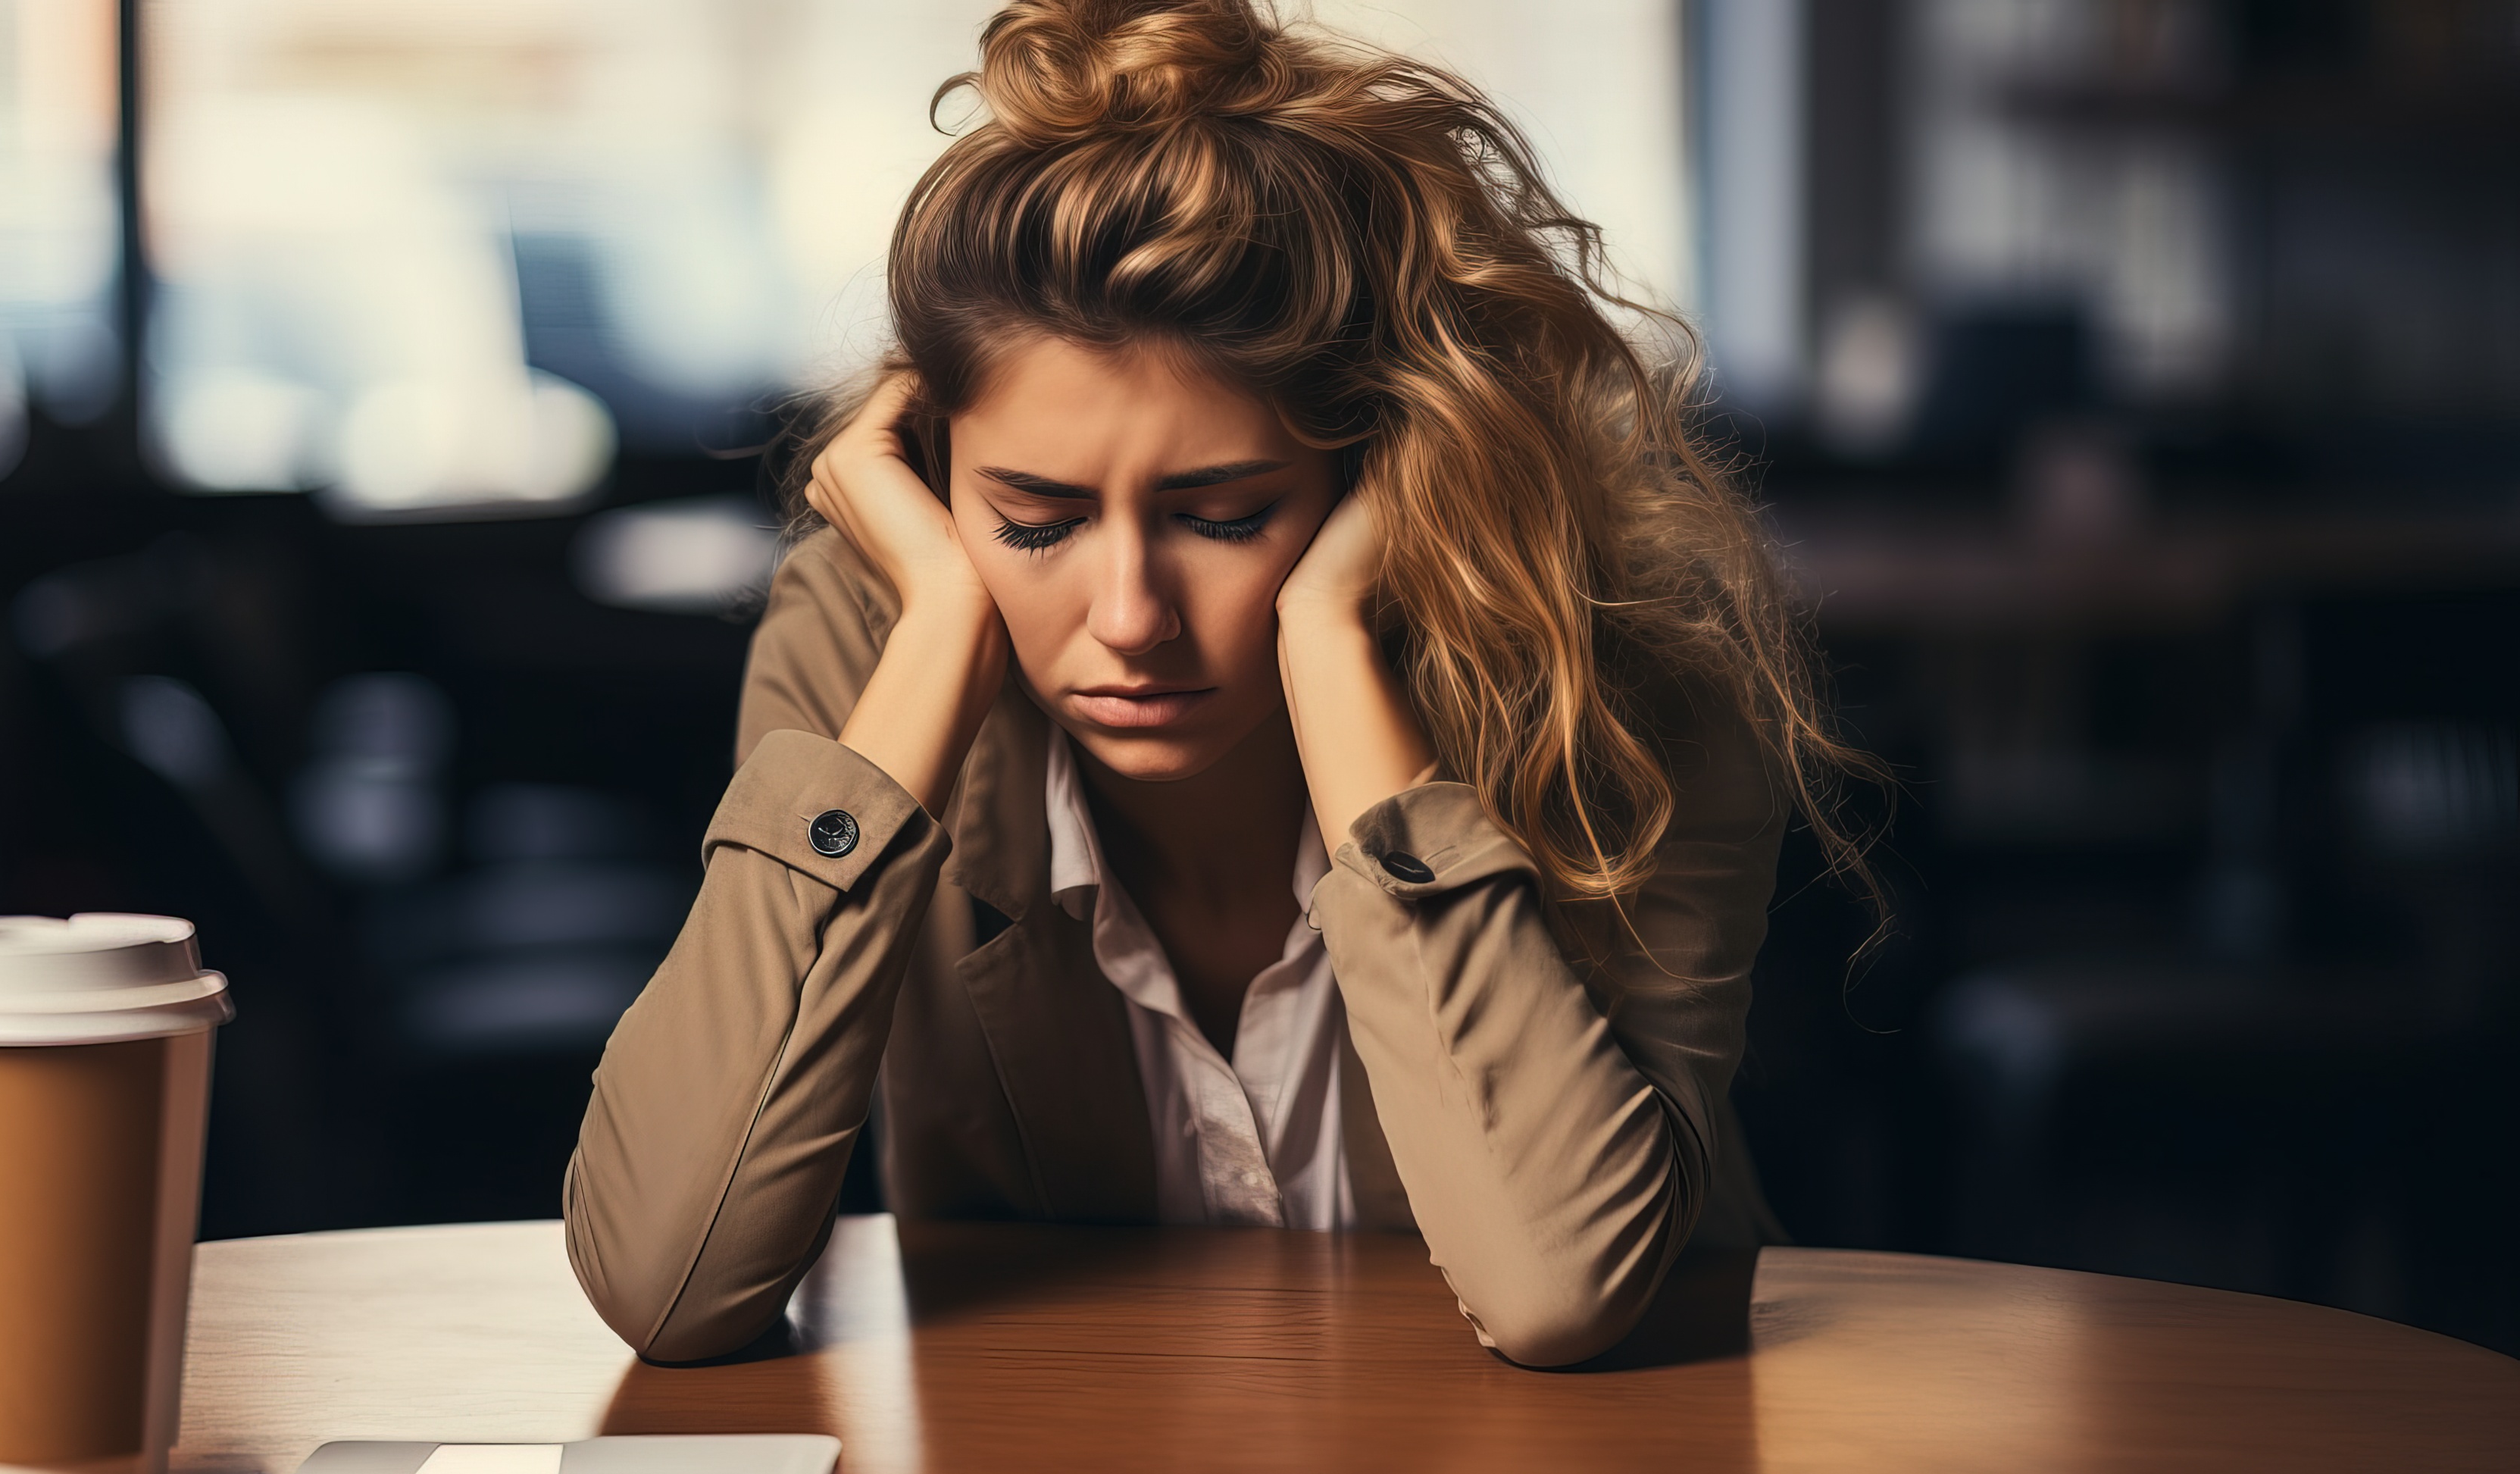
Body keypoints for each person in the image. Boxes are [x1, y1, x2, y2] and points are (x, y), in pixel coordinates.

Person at [564, 0, 1875, 1369]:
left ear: (1388, 469)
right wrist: (945, 629)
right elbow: (667, 1282)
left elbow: (1562, 1292)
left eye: (1226, 515)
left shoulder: (1609, 663)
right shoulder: (872, 640)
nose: (1130, 619)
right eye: (1034, 520)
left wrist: (1334, 648)